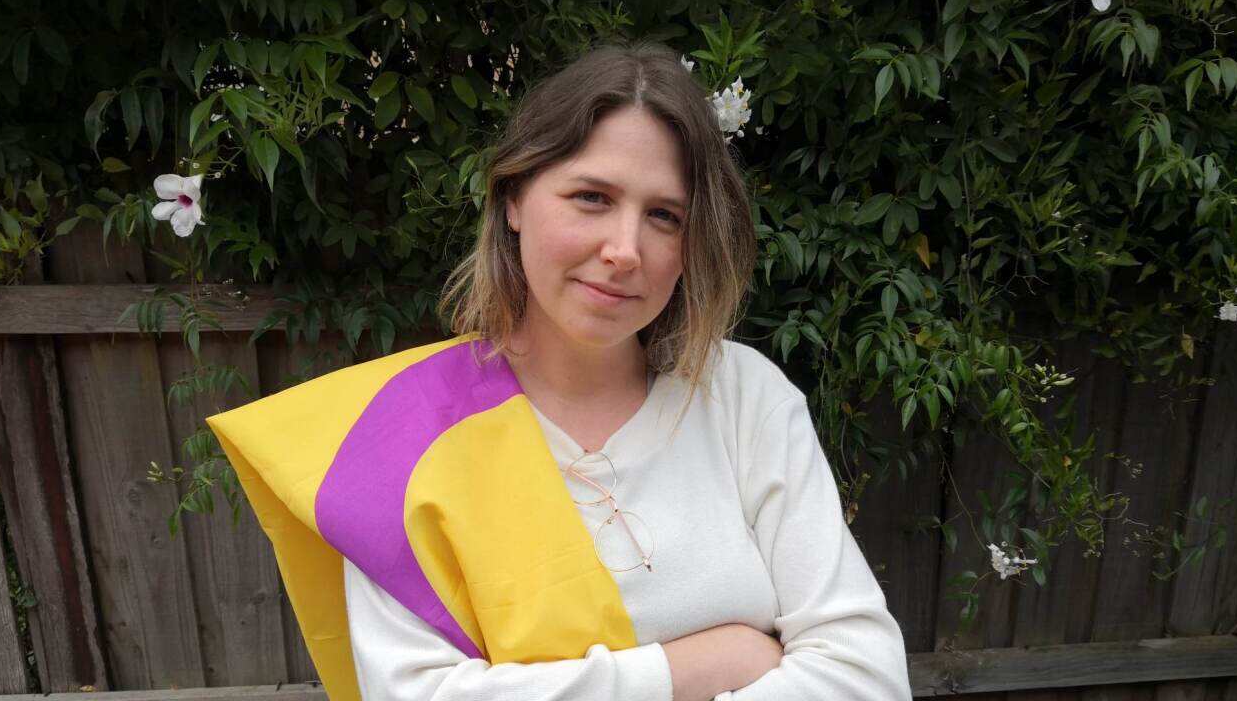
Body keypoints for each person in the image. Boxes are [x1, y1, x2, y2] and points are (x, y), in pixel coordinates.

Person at [339, 41, 914, 700]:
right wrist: (699, 669)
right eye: (592, 197)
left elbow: (866, 676)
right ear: (514, 200)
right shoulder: (404, 437)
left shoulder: (743, 398)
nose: (624, 250)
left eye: (664, 216)